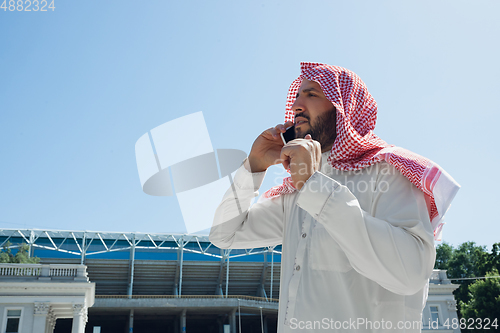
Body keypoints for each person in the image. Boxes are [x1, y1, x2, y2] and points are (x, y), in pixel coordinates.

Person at [209, 62, 459, 332]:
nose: (296, 105)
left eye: (312, 94)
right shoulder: (297, 192)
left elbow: (411, 273)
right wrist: (253, 168)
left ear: (344, 108)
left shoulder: (387, 172)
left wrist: (314, 187)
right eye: (296, 96)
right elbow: (225, 235)